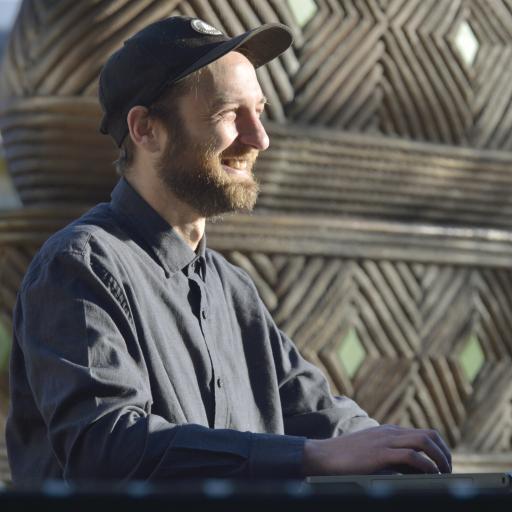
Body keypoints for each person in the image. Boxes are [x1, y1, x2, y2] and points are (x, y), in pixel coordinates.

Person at [5, 16, 451, 484]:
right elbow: (106, 448)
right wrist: (309, 457)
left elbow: (320, 415)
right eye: (228, 114)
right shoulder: (79, 266)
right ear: (145, 129)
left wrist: (404, 453)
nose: (259, 138)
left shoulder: (232, 289)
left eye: (258, 111)